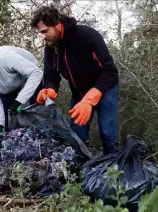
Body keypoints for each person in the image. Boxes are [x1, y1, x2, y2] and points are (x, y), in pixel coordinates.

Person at [30, 5, 120, 155]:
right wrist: (50, 88)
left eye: (45, 31)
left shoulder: (87, 36)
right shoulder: (51, 47)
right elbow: (51, 73)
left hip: (105, 89)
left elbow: (110, 72)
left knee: (107, 133)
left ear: (57, 24)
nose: (43, 37)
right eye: (40, 33)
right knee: (76, 135)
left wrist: (89, 100)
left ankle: (113, 171)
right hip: (80, 93)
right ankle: (81, 169)